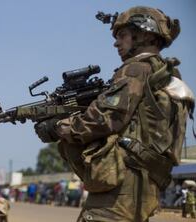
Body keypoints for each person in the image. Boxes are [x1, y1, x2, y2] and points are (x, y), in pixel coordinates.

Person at [34, 6, 194, 221]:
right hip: (146, 183)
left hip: (122, 186)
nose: (116, 42)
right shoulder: (167, 74)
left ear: (144, 34)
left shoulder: (136, 69)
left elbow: (104, 119)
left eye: (122, 35)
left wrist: (58, 127)